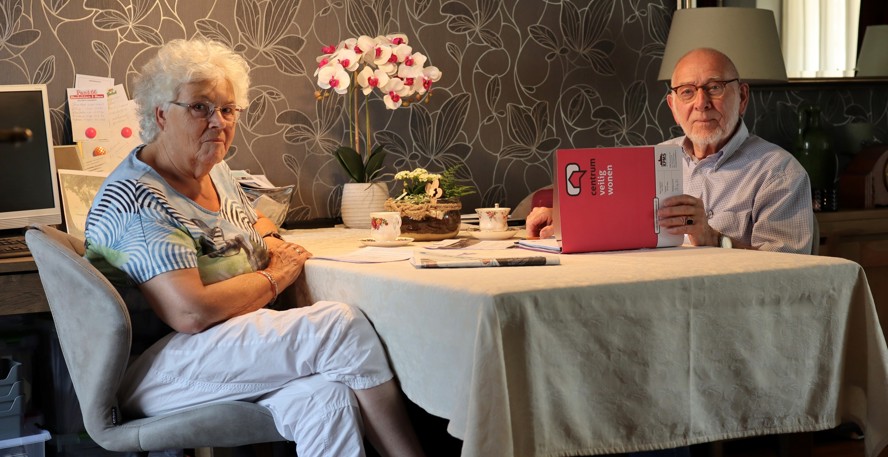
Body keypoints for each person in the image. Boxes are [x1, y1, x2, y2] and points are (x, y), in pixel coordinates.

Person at [82, 38, 425, 457]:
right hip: (156, 369)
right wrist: (275, 274)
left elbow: (254, 221)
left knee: (327, 397)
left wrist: (273, 244)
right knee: (340, 326)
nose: (218, 121)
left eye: (227, 109)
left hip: (221, 348)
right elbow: (189, 312)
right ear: (160, 114)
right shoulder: (139, 196)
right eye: (200, 107)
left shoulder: (214, 170)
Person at [527, 47, 814, 254]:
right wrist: (566, 217)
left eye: (714, 87)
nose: (701, 103)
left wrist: (714, 239)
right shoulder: (649, 160)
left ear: (741, 97)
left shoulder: (779, 173)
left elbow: (789, 274)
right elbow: (616, 224)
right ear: (673, 108)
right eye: (687, 91)